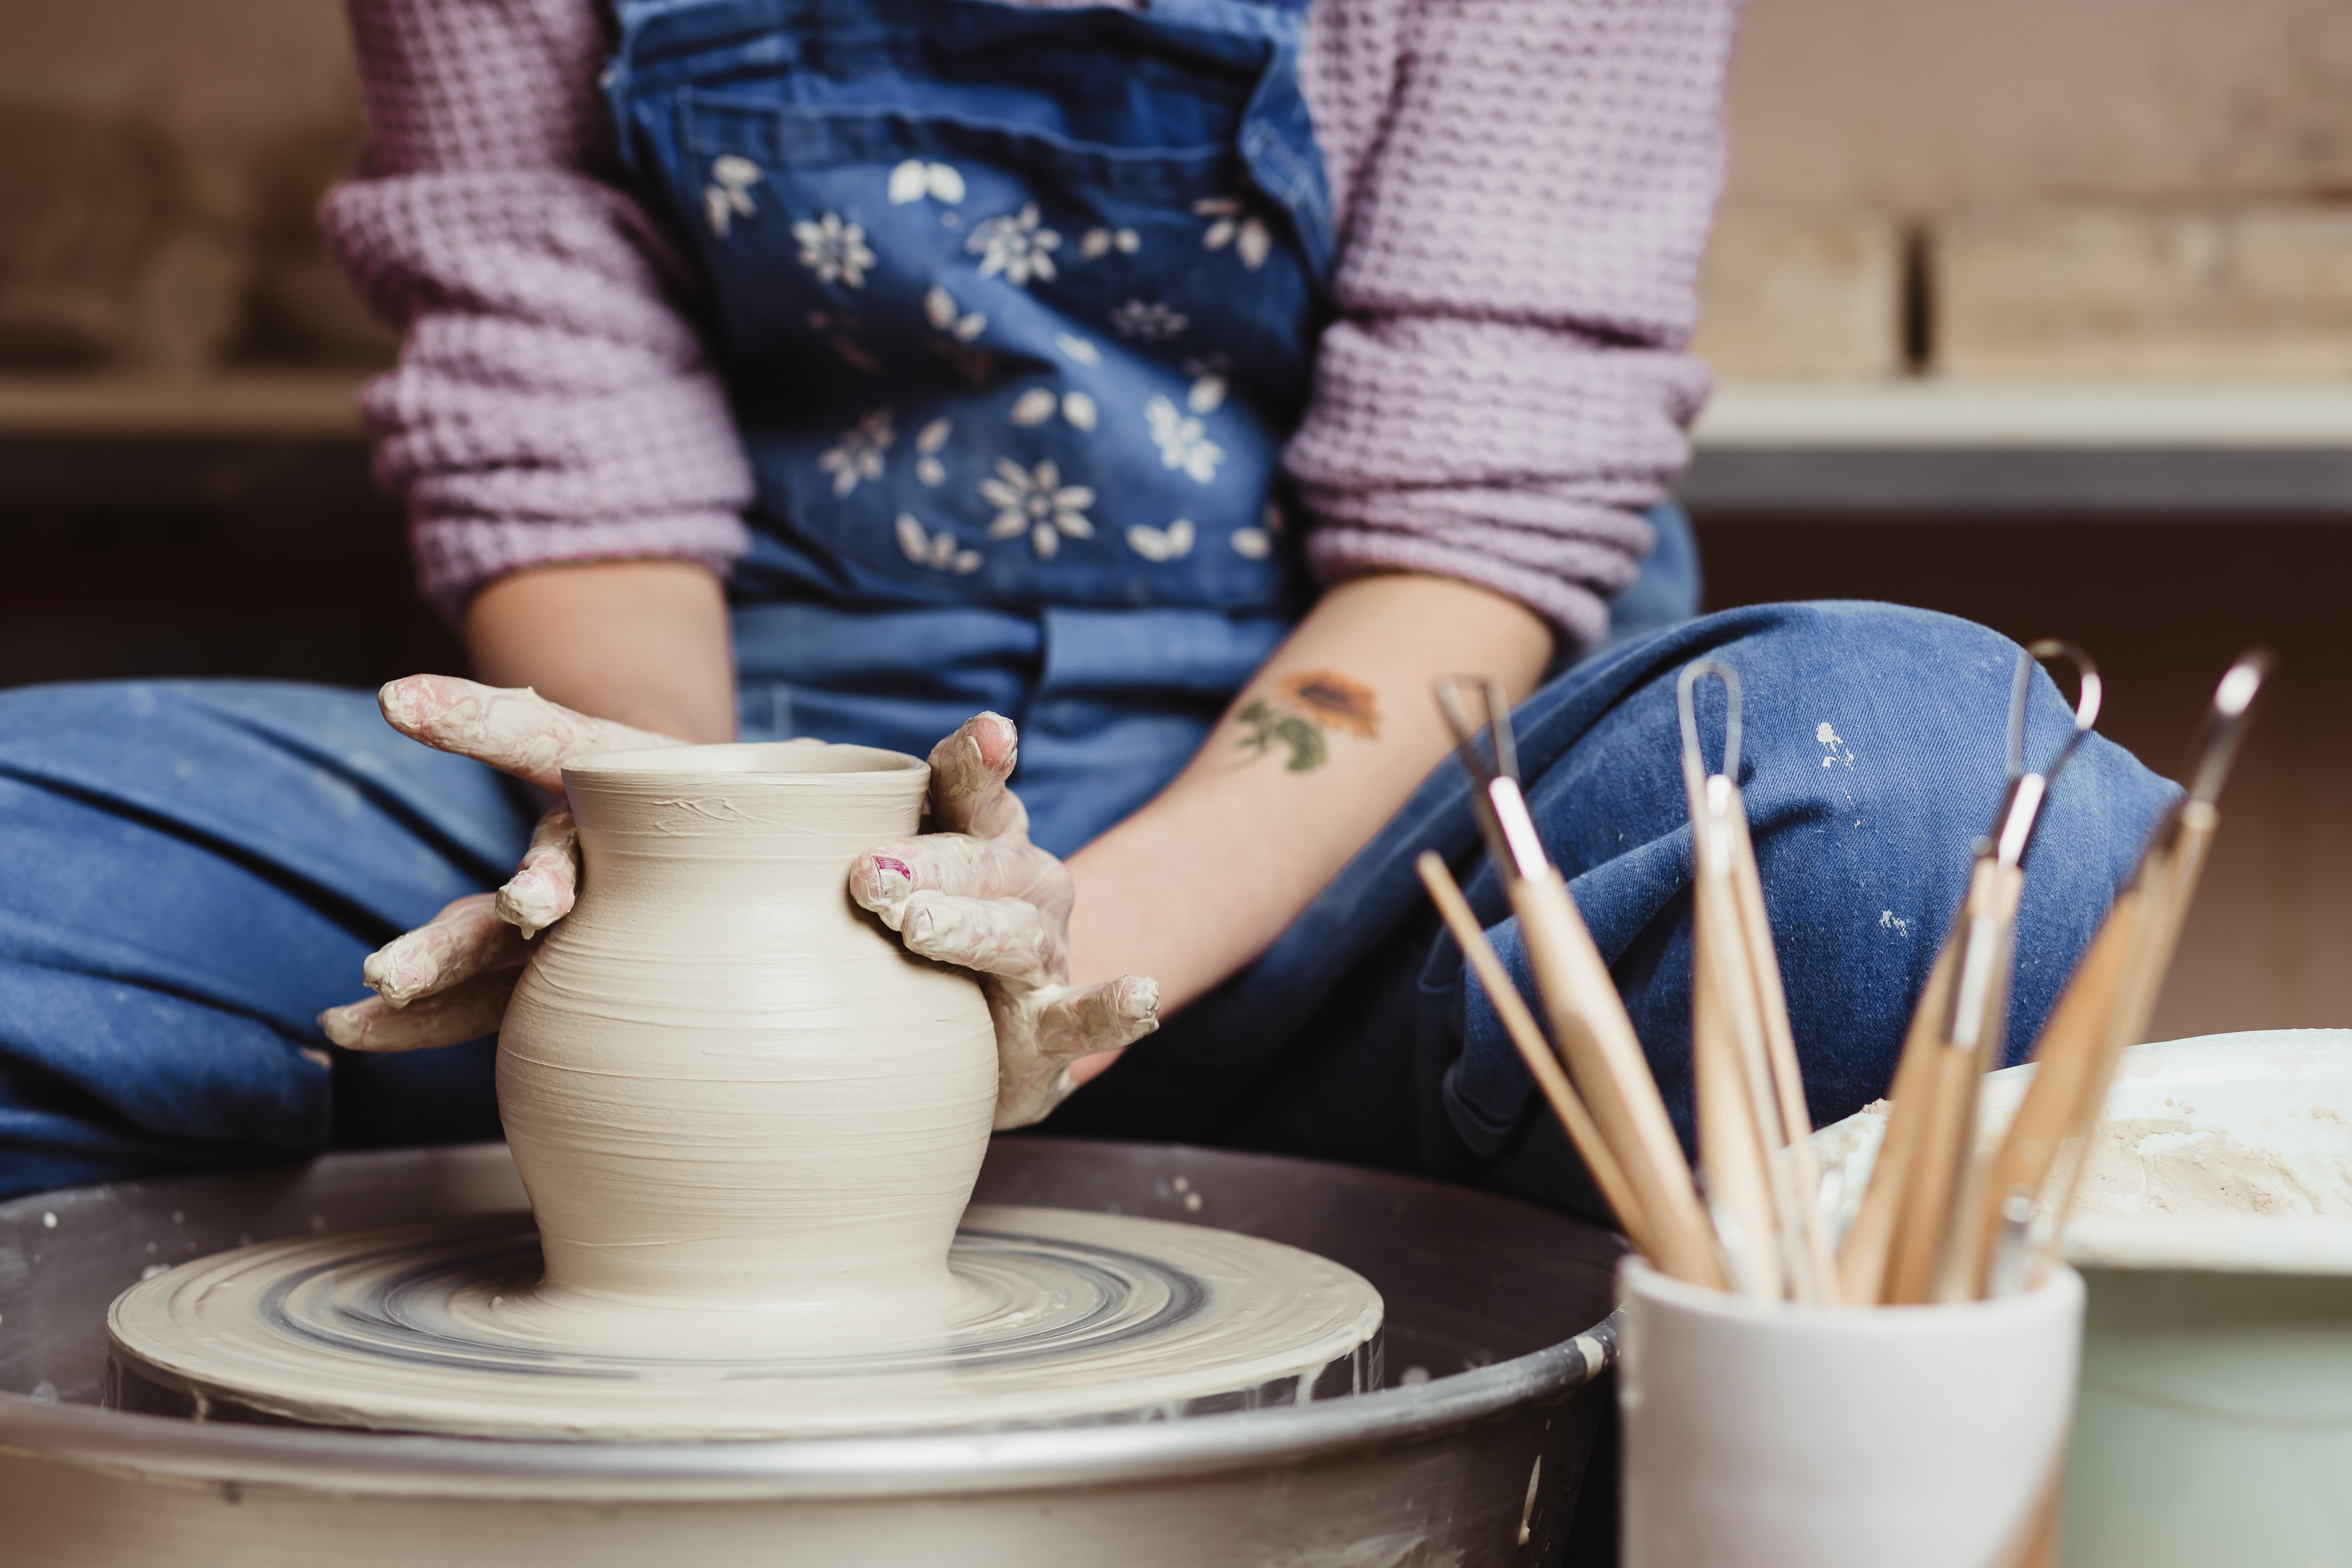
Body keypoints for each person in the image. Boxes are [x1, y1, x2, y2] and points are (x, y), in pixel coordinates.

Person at [0, 0, 2175, 1213]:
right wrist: (664, 837)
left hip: (1388, 818)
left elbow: (1470, 526)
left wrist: (1064, 969)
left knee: (1945, 819)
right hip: (756, 761)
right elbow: (560, 410)